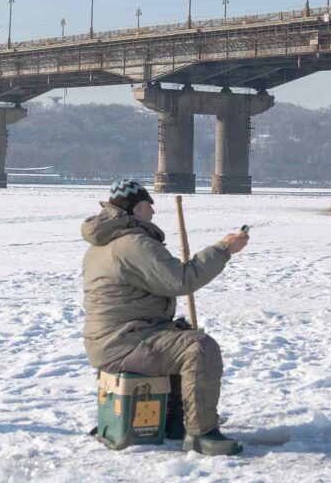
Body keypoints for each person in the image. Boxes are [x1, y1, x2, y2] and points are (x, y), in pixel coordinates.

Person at [81, 179, 249, 455]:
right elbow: (180, 280)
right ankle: (201, 433)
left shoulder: (104, 243)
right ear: (134, 208)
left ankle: (174, 421)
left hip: (112, 339)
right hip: (123, 342)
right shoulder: (132, 244)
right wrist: (224, 249)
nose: (153, 212)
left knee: (179, 334)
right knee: (200, 348)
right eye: (148, 205)